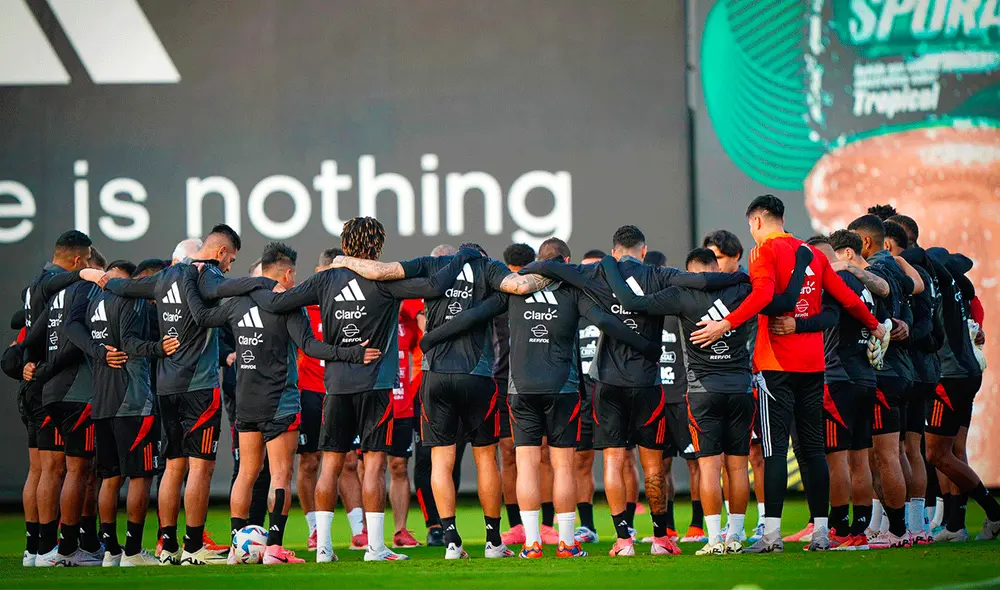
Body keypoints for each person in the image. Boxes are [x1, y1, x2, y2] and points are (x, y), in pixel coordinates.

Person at [252, 217, 483, 562]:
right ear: (377, 246)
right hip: (376, 386)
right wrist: (463, 256)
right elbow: (436, 286)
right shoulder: (385, 280)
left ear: (345, 243)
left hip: (335, 386)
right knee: (374, 465)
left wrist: (252, 290)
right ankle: (375, 547)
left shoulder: (325, 279)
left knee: (330, 465)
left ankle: (324, 548)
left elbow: (276, 303)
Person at [420, 237, 660, 558]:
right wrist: (646, 347)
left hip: (521, 389)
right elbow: (604, 321)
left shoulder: (514, 290)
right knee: (563, 466)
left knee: (526, 466)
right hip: (562, 388)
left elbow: (474, 315)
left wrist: (432, 337)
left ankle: (531, 543)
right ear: (567, 261)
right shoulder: (573, 291)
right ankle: (566, 543)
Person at [521, 225, 749, 557]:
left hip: (608, 382)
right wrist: (740, 276)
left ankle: (623, 540)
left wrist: (518, 275)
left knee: (614, 460)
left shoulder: (596, 272)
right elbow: (702, 281)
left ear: (614, 252)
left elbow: (547, 265)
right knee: (653, 465)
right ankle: (660, 538)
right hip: (648, 383)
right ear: (643, 251)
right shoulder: (659, 274)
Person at [329, 235, 558, 560]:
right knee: (485, 458)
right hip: (476, 376)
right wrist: (558, 271)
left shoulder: (432, 264)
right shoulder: (488, 267)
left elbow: (380, 271)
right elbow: (521, 286)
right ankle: (493, 542)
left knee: (441, 460)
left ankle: (451, 541)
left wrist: (343, 260)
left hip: (434, 376)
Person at [692, 195, 885, 553]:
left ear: (757, 221)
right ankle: (822, 532)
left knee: (774, 451)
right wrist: (874, 325)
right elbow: (845, 297)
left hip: (775, 365)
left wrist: (725, 323)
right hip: (813, 365)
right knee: (813, 449)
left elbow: (763, 295)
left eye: (751, 225)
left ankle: (772, 536)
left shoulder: (763, 251)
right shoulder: (812, 254)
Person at [188, 242, 375, 564]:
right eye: (294, 275)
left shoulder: (236, 304)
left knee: (246, 473)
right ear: (287, 274)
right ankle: (274, 548)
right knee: (280, 475)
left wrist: (189, 279)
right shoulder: (288, 306)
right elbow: (311, 347)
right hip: (280, 403)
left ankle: (236, 548)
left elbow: (202, 316)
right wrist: (352, 353)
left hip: (246, 402)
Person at [102, 224, 265, 565]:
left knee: (173, 466)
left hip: (166, 386)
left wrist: (94, 276)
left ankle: (168, 546)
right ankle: (193, 547)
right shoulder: (208, 275)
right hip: (199, 387)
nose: (229, 267)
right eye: (231, 259)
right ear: (221, 252)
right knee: (200, 468)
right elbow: (230, 287)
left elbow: (122, 286)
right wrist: (263, 283)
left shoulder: (163, 278)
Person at [602, 247, 758, 555]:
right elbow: (771, 295)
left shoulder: (680, 294)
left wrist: (609, 265)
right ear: (716, 268)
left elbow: (633, 303)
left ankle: (714, 540)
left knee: (709, 467)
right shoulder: (741, 289)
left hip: (703, 391)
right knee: (738, 467)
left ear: (689, 273)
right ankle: (735, 536)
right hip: (740, 388)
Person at [66, 260, 179, 566]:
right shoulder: (132, 300)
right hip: (133, 401)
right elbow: (130, 343)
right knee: (140, 476)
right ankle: (132, 551)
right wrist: (159, 348)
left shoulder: (94, 304)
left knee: (110, 477)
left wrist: (98, 351)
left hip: (102, 401)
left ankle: (111, 551)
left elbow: (72, 328)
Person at [14, 231, 104, 567]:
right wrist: (87, 275)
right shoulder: (58, 285)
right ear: (79, 260)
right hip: (56, 384)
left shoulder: (34, 287)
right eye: (86, 262)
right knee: (63, 469)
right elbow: (66, 333)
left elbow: (26, 328)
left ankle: (37, 547)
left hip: (38, 382)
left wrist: (23, 361)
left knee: (41, 469)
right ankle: (57, 548)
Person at [801, 235, 882, 550]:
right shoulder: (861, 283)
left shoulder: (832, 281)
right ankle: (859, 531)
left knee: (837, 460)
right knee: (860, 459)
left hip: (837, 378)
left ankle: (838, 528)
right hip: (865, 377)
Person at [846, 215, 918, 548]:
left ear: (864, 242)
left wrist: (846, 268)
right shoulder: (897, 268)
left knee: (885, 455)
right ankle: (905, 526)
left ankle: (899, 531)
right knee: (895, 453)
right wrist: (904, 323)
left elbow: (883, 299)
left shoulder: (875, 272)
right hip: (902, 371)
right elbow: (914, 295)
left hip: (884, 373)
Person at [923, 246, 1000, 542]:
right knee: (955, 450)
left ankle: (993, 512)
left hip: (948, 377)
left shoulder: (938, 293)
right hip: (967, 373)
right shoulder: (961, 292)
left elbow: (929, 335)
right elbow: (976, 319)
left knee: (936, 453)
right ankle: (955, 524)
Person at [496, 243, 559, 547]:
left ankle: (546, 524)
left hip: (537, 378)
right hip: (504, 380)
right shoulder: (499, 292)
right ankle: (517, 526)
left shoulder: (544, 290)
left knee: (541, 454)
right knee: (511, 454)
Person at [704, 230, 766, 541]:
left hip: (753, 378)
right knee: (726, 459)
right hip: (718, 383)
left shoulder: (750, 287)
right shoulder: (706, 289)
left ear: (736, 256)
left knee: (756, 455)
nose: (713, 266)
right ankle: (733, 525)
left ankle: (765, 521)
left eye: (718, 258)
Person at [884, 220, 942, 544]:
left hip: (907, 370)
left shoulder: (902, 275)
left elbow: (920, 326)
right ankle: (917, 525)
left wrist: (902, 336)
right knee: (911, 449)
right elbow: (935, 329)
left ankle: (896, 525)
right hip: (925, 371)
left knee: (892, 450)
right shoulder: (928, 274)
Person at [642, 250, 702, 544]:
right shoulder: (643, 310)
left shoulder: (681, 306)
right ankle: (667, 528)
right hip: (656, 398)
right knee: (660, 466)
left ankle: (698, 525)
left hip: (682, 396)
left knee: (696, 462)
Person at [299, 247, 341, 550]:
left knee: (348, 462)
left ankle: (360, 530)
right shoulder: (302, 303)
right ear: (318, 273)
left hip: (341, 390)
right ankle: (314, 529)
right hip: (309, 393)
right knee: (309, 461)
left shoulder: (352, 303)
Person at [573, 249, 606, 544]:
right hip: (582, 395)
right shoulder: (574, 308)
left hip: (612, 394)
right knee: (581, 461)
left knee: (621, 459)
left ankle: (628, 526)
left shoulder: (616, 305)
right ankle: (587, 526)